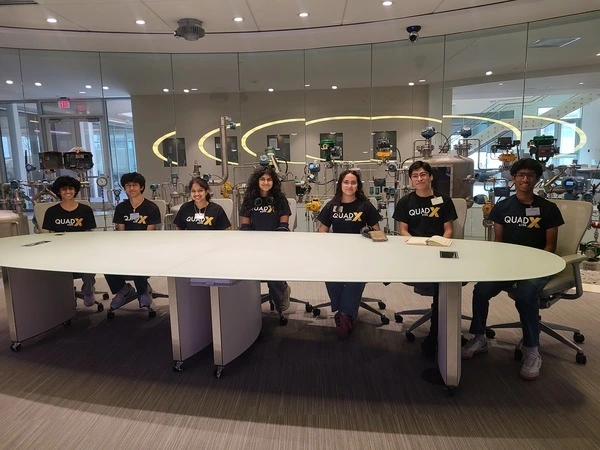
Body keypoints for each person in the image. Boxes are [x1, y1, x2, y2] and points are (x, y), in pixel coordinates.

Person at [462, 158, 564, 381]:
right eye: (521, 175)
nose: (525, 179)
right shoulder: (502, 207)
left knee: (526, 296)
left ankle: (532, 349)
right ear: (514, 178)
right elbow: (499, 243)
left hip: (538, 265)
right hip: (508, 265)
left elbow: (550, 247)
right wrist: (497, 266)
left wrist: (535, 267)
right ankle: (479, 337)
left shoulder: (548, 209)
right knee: (481, 290)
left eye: (530, 175)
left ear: (537, 179)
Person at [392, 161, 457, 357]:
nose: (419, 179)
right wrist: (416, 246)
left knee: (441, 283)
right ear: (411, 180)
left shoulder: (443, 200)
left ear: (430, 176)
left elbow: (448, 230)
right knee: (439, 286)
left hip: (438, 252)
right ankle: (438, 329)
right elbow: (403, 231)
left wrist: (440, 246)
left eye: (423, 174)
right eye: (415, 176)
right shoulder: (405, 202)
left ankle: (435, 334)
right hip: (415, 254)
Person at [317, 169, 382, 337]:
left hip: (360, 254)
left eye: (353, 182)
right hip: (337, 252)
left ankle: (345, 314)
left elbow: (378, 232)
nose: (349, 186)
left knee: (356, 277)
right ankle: (345, 312)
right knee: (330, 274)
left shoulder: (365, 206)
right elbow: (322, 230)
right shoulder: (332, 206)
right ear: (340, 184)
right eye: (346, 182)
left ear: (358, 185)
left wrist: (369, 233)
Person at [105, 172, 162, 310]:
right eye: (128, 185)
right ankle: (123, 289)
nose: (131, 188)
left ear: (141, 187)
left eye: (135, 185)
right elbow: (121, 232)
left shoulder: (151, 208)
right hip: (126, 246)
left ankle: (143, 291)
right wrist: (125, 248)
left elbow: (150, 234)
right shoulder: (121, 208)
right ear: (124, 188)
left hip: (145, 247)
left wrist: (137, 248)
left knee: (137, 258)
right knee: (106, 260)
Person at [239, 166, 292, 313]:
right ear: (257, 181)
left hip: (275, 244)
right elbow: (245, 225)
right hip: (254, 244)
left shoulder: (280, 199)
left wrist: (275, 241)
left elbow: (284, 224)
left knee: (273, 274)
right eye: (262, 179)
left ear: (273, 182)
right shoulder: (249, 200)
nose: (266, 182)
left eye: (269, 179)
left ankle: (282, 293)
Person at [42, 175, 98, 306]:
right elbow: (48, 235)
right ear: (59, 191)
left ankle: (88, 291)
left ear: (75, 190)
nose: (68, 192)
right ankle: (65, 294)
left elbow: (89, 233)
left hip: (82, 250)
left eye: (71, 189)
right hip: (59, 251)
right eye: (64, 189)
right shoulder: (51, 212)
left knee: (90, 265)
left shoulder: (85, 210)